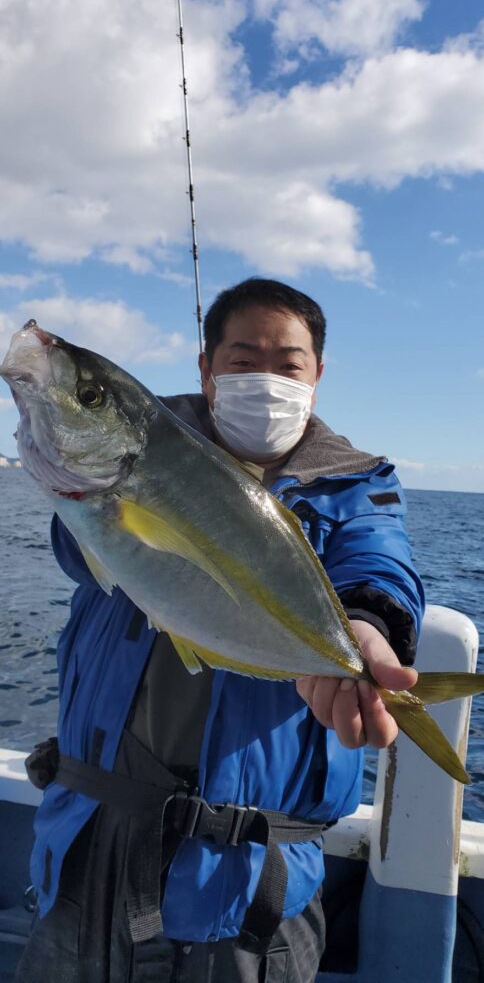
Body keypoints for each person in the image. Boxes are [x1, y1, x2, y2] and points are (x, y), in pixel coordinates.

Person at [16, 278, 424, 983]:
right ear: (207, 368)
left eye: (287, 363)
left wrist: (365, 626)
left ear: (318, 374)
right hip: (86, 846)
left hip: (246, 887)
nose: (266, 377)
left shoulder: (355, 485)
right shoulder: (153, 444)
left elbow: (377, 564)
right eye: (242, 360)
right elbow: (79, 556)